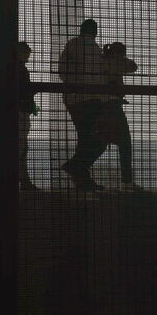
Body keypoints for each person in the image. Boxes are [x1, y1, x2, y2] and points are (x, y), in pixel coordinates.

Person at [58, 19, 108, 190]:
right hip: (90, 100)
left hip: (74, 99)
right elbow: (102, 73)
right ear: (95, 32)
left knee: (85, 138)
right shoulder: (95, 49)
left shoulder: (72, 45)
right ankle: (76, 167)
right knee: (98, 138)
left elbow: (62, 72)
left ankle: (81, 175)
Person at [0, 41, 39, 191]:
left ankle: (14, 178)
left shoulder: (10, 68)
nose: (28, 54)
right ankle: (6, 177)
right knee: (20, 148)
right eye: (26, 52)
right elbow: (23, 91)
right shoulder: (20, 69)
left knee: (17, 147)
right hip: (20, 112)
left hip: (13, 112)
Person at [98, 41, 141, 190]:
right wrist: (120, 59)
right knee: (125, 144)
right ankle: (127, 180)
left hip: (100, 106)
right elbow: (133, 66)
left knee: (100, 143)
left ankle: (77, 169)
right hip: (112, 106)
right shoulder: (114, 63)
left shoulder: (101, 61)